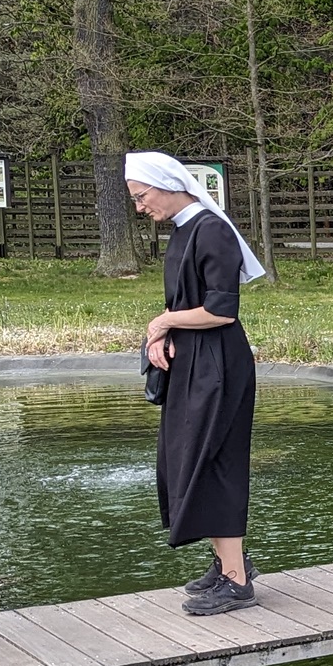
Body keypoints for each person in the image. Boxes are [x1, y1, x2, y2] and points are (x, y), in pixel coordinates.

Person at [124, 151, 265, 615]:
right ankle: (227, 559)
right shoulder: (185, 231)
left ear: (168, 185)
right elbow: (187, 304)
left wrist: (161, 322)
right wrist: (159, 338)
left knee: (214, 462)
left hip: (219, 368)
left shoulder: (212, 230)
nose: (141, 208)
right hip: (196, 363)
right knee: (186, 459)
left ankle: (237, 581)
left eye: (142, 197)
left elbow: (222, 309)